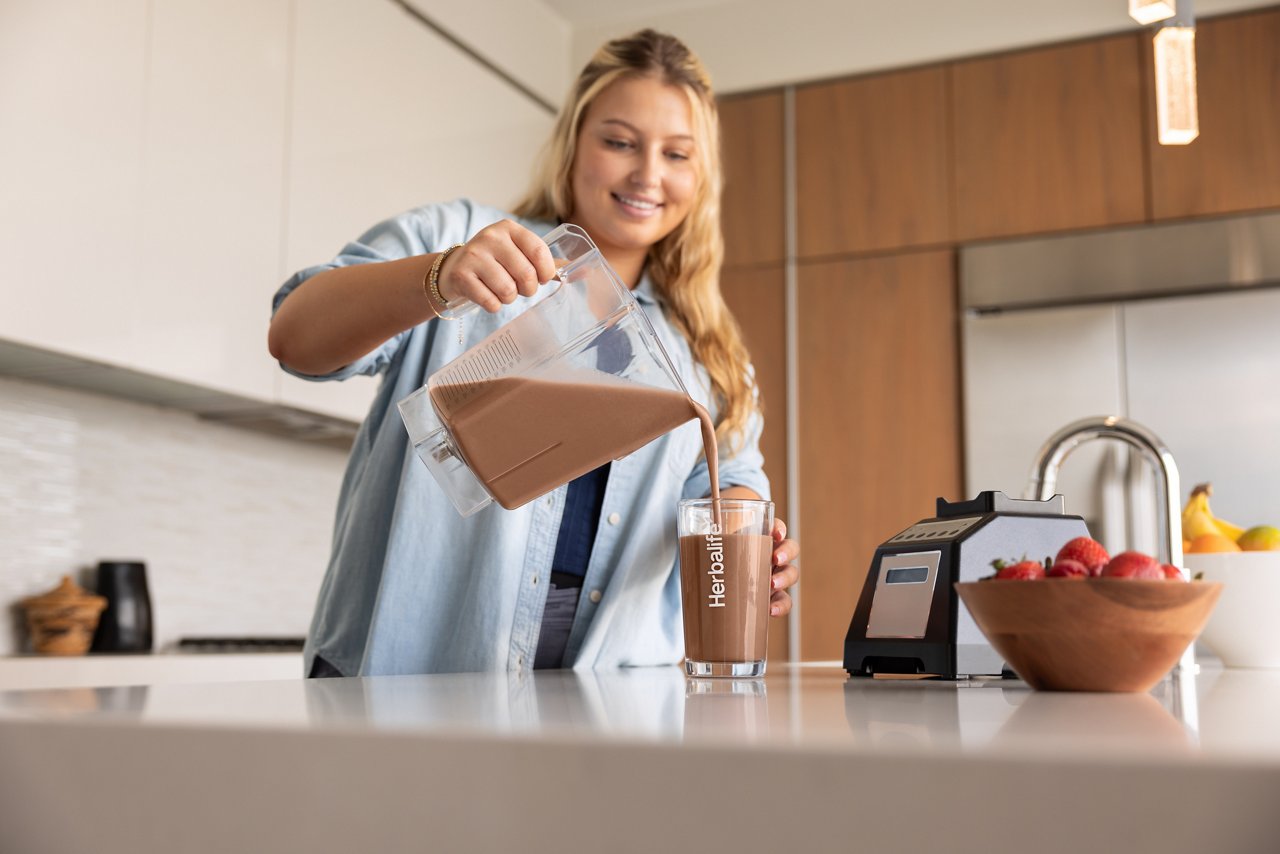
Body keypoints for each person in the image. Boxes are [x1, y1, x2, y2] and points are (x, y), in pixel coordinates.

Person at [268, 29, 800, 677]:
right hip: (407, 676)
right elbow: (295, 339)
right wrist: (440, 276)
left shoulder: (709, 349)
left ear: (702, 175)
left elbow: (731, 477)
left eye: (678, 154)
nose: (648, 174)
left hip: (605, 701)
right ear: (573, 145)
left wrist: (750, 540)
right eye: (619, 141)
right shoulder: (460, 243)